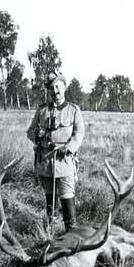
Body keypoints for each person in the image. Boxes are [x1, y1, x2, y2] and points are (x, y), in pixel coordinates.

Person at [27, 72, 84, 231]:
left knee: (67, 198)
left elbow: (79, 134)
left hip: (64, 163)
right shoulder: (42, 111)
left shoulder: (73, 110)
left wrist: (68, 148)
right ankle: (52, 233)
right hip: (45, 164)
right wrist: (36, 135)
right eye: (51, 88)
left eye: (57, 87)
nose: (55, 91)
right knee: (50, 199)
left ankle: (71, 235)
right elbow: (30, 131)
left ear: (64, 87)